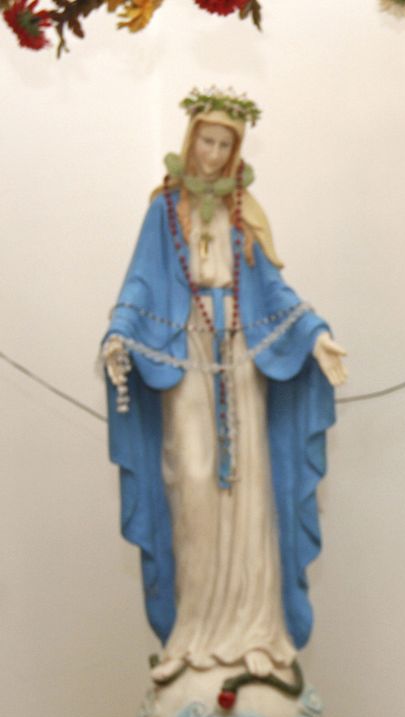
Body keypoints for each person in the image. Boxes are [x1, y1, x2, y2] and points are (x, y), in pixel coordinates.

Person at [103, 87, 347, 684]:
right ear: (190, 142)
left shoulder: (246, 210)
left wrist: (315, 336)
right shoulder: (163, 209)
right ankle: (192, 634)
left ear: (236, 150)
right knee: (190, 482)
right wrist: (118, 334)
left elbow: (275, 289)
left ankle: (257, 632)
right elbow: (139, 283)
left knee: (249, 488)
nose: (212, 154)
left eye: (223, 145)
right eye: (205, 141)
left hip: (240, 354)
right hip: (183, 350)